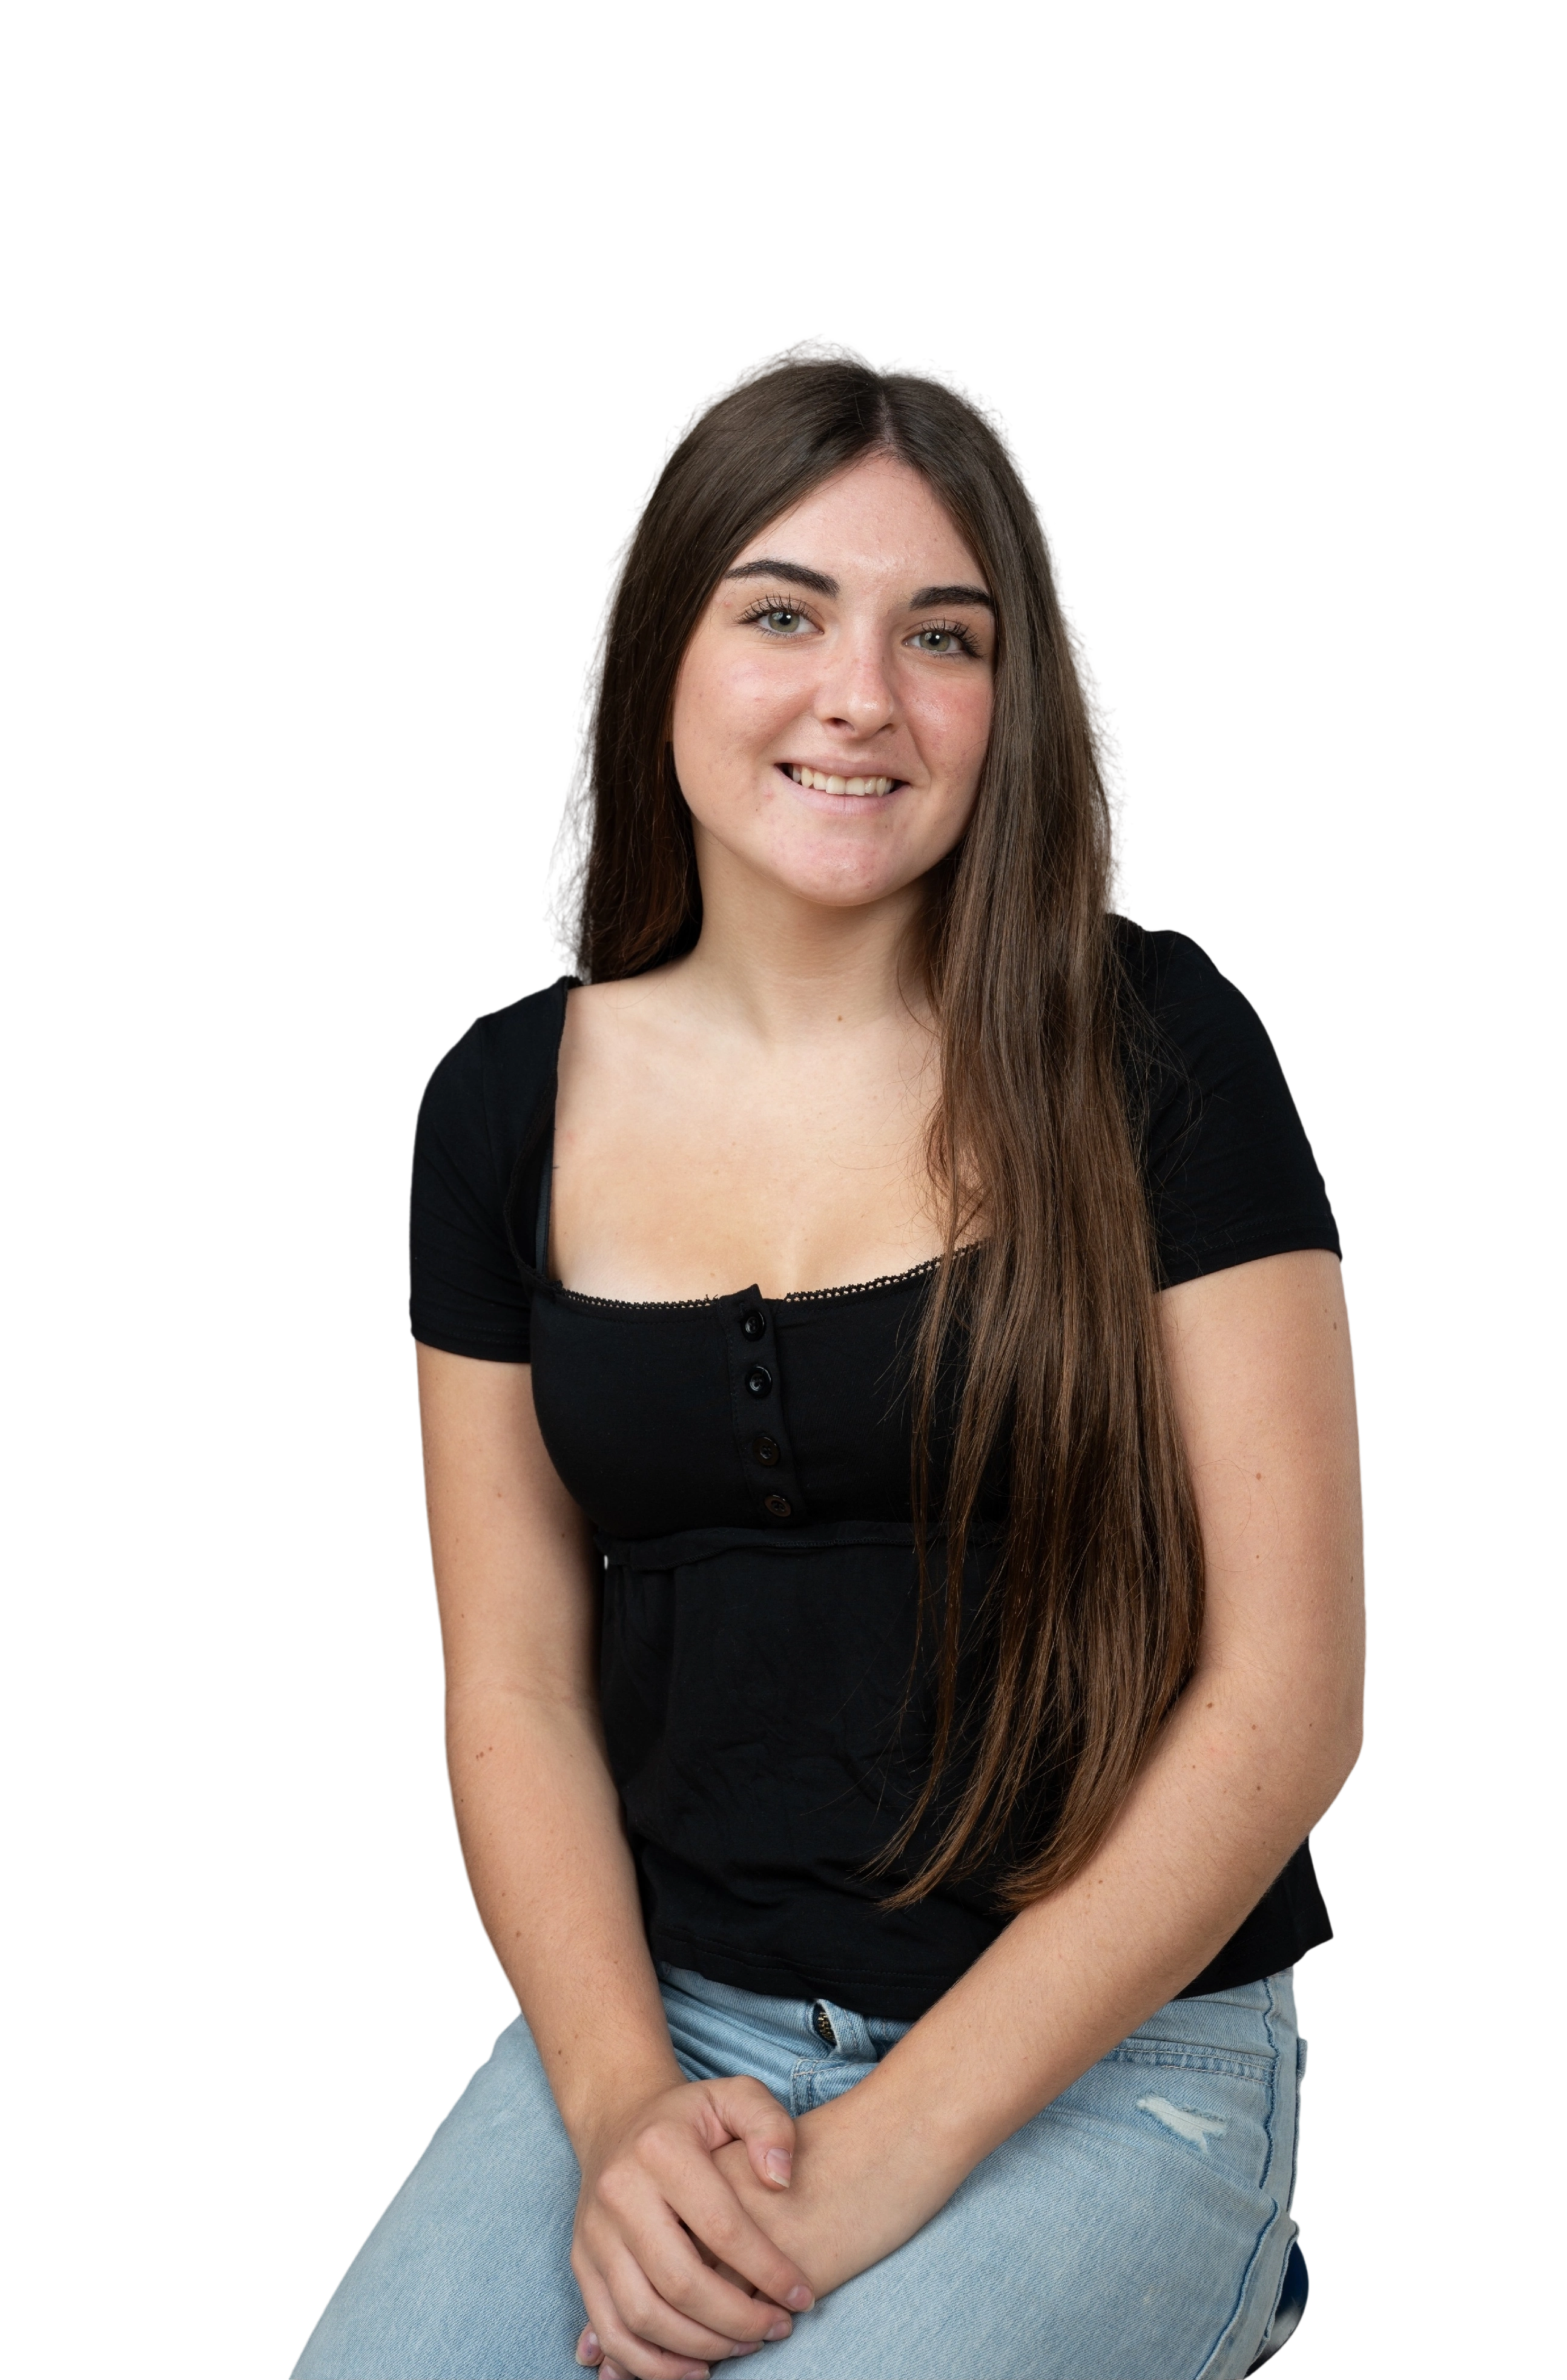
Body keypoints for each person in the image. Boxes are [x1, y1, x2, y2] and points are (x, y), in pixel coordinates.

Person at [288, 333, 1367, 2380]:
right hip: (668, 2026)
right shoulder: (496, 1105)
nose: (860, 695)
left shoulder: (1156, 1044)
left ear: (1009, 701)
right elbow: (512, 1685)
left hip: (1114, 2066)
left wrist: (887, 2152)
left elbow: (1290, 1695)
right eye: (782, 612)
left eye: (940, 636)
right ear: (659, 655)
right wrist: (620, 2106)